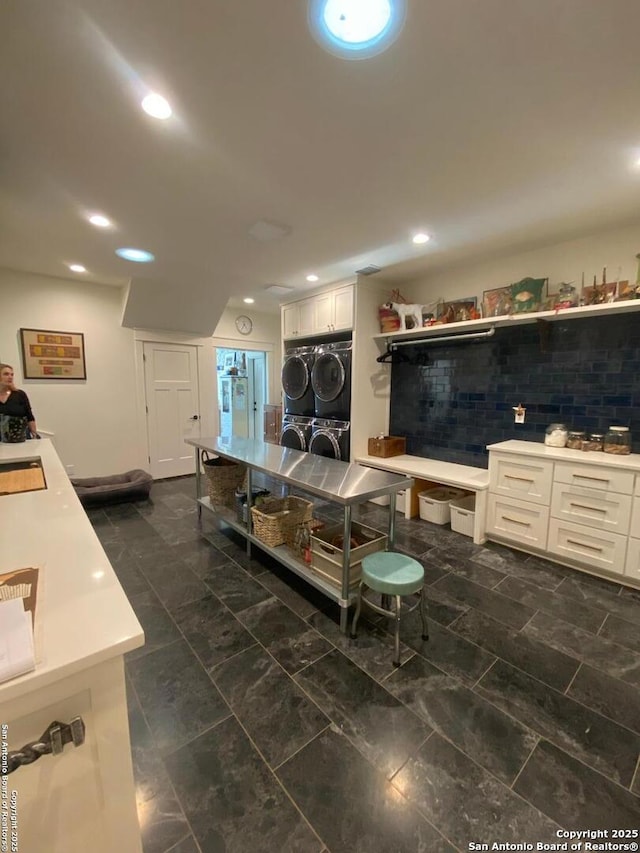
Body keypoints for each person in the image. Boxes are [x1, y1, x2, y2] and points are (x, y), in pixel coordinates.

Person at [0, 363, 38, 439]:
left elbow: (29, 416)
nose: (10, 377)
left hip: (19, 437)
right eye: (6, 374)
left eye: (12, 375)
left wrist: (34, 435)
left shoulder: (20, 394)